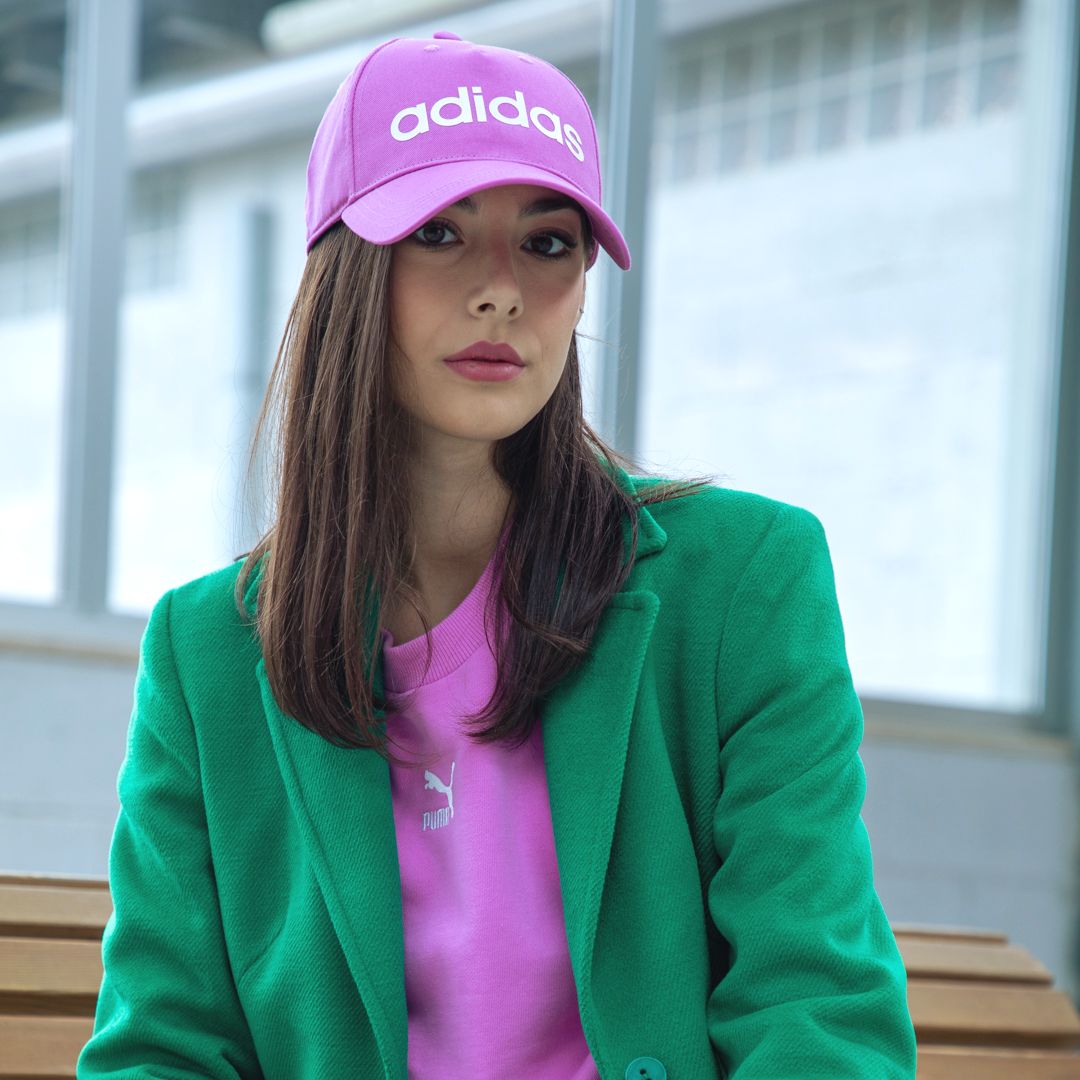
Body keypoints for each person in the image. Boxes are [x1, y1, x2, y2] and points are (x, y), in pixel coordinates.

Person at [77, 28, 917, 1080]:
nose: (501, 291)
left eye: (548, 242)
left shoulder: (746, 581)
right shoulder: (206, 652)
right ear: (346, 271)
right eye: (439, 233)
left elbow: (816, 1006)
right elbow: (163, 1044)